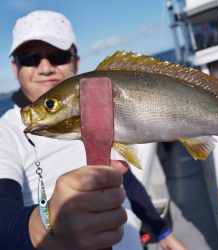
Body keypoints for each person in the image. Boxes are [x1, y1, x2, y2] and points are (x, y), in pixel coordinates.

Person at [0, 10, 187, 250]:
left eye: (58, 55)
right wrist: (44, 226)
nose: (45, 67)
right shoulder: (7, 132)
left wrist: (163, 232)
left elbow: (125, 179)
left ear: (76, 62)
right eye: (29, 58)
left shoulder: (97, 111)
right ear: (15, 68)